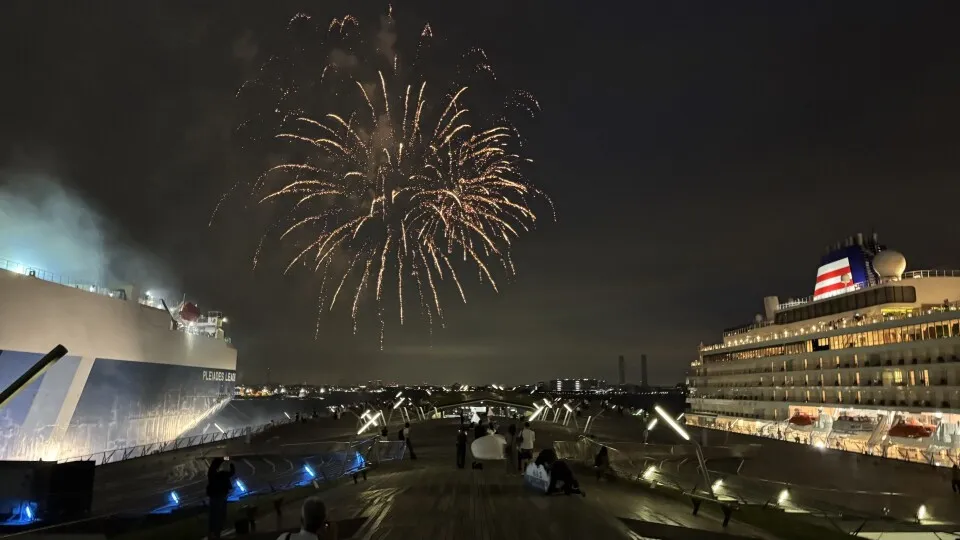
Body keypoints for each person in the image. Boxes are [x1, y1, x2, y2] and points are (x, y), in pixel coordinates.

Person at [206, 457, 235, 539]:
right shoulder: (221, 475)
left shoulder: (212, 474)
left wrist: (225, 458)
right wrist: (228, 459)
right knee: (219, 516)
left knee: (214, 516)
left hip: (215, 497)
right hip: (220, 497)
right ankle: (216, 533)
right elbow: (232, 472)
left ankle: (213, 533)